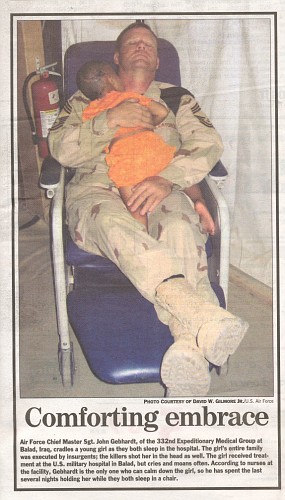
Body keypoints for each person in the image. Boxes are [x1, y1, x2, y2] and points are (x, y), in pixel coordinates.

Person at [48, 21, 248, 396]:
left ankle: (187, 349)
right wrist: (107, 123)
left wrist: (169, 179)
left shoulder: (175, 99)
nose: (142, 47)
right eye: (132, 42)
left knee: (179, 227)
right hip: (99, 190)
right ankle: (203, 317)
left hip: (163, 184)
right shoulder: (82, 100)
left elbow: (207, 144)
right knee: (110, 222)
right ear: (117, 57)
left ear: (157, 62)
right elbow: (61, 149)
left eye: (150, 45)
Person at [77, 60, 215, 233]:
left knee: (134, 204)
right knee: (176, 167)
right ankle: (198, 201)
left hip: (124, 157)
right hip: (152, 146)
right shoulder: (129, 97)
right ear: (110, 78)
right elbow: (162, 112)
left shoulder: (89, 111)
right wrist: (149, 123)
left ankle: (142, 233)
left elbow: (89, 136)